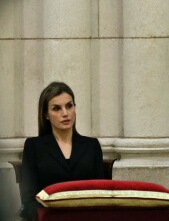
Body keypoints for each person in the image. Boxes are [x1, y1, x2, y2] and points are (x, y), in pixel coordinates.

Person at [20, 82, 105, 220]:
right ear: (46, 114)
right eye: (56, 108)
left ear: (75, 108)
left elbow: (101, 194)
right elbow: (29, 199)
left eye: (69, 106)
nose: (65, 113)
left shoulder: (92, 145)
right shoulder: (33, 146)